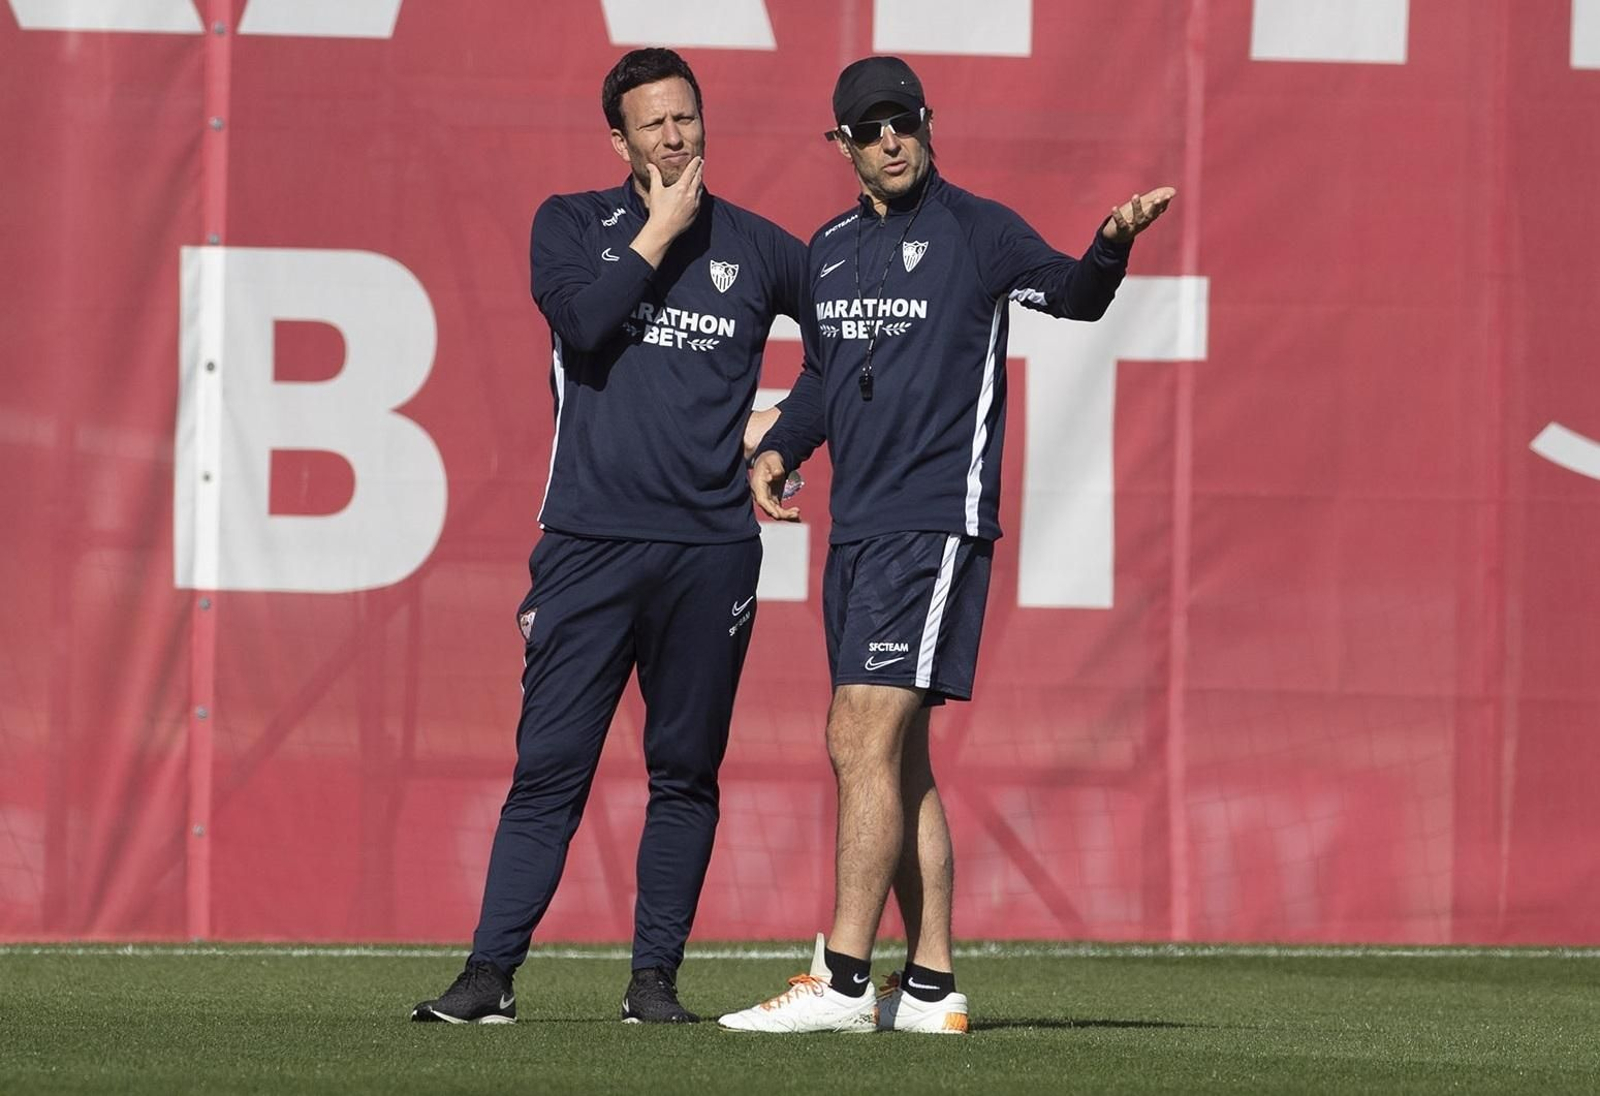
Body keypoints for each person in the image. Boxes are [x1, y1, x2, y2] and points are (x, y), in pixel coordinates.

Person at [718, 56, 1174, 1035]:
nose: (891, 139)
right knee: (894, 757)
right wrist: (776, 451)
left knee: (856, 736)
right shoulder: (829, 249)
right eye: (870, 128)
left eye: (903, 121)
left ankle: (841, 975)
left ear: (927, 124)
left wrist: (1108, 245)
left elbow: (1075, 296)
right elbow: (820, 382)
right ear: (841, 144)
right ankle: (928, 988)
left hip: (935, 523)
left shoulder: (977, 231)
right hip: (856, 536)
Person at [411, 48, 806, 1025]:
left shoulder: (757, 247)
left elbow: (845, 349)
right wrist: (659, 232)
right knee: (549, 769)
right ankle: (489, 974)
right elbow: (585, 325)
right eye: (653, 124)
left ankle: (652, 985)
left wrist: (781, 440)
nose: (674, 136)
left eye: (686, 118)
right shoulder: (570, 224)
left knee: (684, 772)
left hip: (710, 553)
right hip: (587, 545)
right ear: (619, 141)